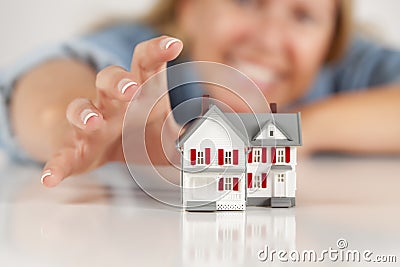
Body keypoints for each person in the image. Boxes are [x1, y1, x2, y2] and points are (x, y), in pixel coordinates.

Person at [0, 0, 399, 188]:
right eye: (247, 2)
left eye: (304, 15)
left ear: (332, 40)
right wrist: (84, 128)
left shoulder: (351, 65)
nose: (270, 39)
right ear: (189, 9)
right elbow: (48, 80)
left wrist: (289, 132)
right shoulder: (149, 50)